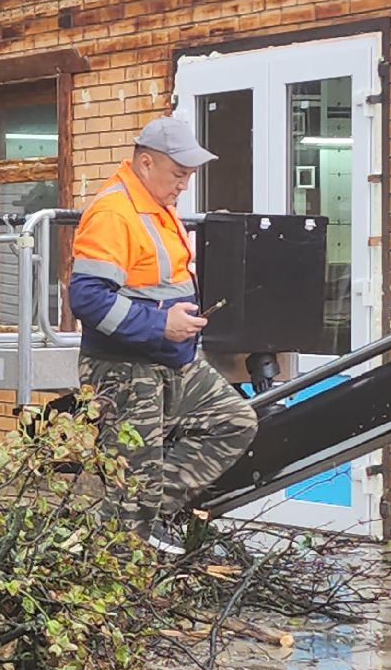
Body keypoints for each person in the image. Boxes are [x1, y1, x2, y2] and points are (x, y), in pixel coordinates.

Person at [67, 117, 258, 554]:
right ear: (146, 163)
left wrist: (173, 329)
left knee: (234, 421)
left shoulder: (156, 206)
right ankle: (121, 573)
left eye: (189, 176)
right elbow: (88, 299)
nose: (184, 186)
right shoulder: (114, 213)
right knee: (133, 484)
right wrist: (161, 324)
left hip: (170, 359)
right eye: (179, 174)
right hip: (123, 369)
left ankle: (141, 516)